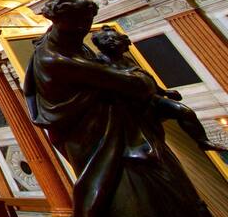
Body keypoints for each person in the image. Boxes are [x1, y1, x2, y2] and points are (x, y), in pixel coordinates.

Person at [25, 0, 225, 217]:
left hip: (127, 136)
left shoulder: (73, 47)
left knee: (177, 206)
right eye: (80, 22)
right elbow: (136, 84)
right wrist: (135, 80)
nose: (86, 28)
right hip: (105, 146)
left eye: (87, 22)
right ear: (61, 21)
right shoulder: (54, 58)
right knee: (139, 214)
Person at [90, 25, 225, 152]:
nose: (111, 41)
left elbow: (147, 78)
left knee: (184, 111)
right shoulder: (99, 61)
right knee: (153, 137)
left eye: (115, 38)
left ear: (124, 43)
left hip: (151, 99)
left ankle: (203, 141)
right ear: (98, 44)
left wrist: (164, 91)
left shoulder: (127, 60)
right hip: (128, 106)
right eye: (106, 39)